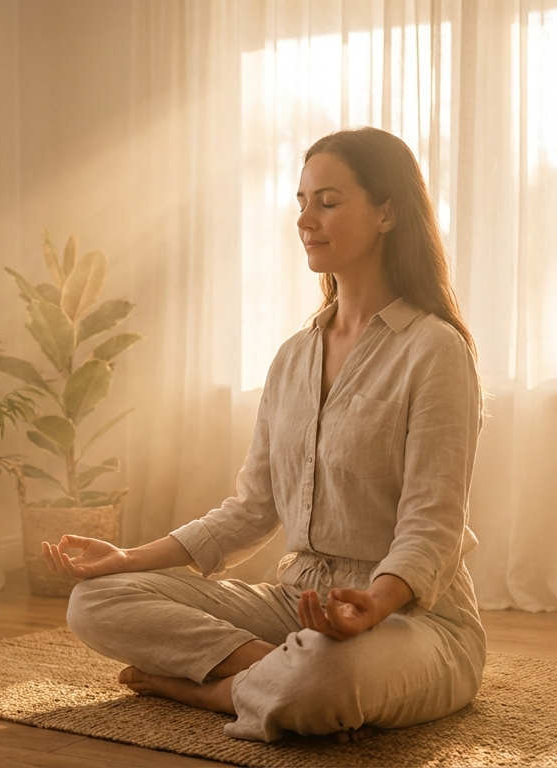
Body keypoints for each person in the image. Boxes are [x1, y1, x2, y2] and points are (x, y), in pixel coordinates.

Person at [42, 126, 485, 743]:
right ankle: (272, 675)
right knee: (96, 600)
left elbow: (432, 526)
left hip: (414, 620)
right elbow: (252, 508)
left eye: (327, 202)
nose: (306, 219)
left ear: (387, 212)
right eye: (301, 202)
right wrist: (126, 559)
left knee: (324, 677)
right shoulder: (292, 357)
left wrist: (373, 606)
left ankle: (210, 688)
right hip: (295, 605)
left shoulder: (435, 349)